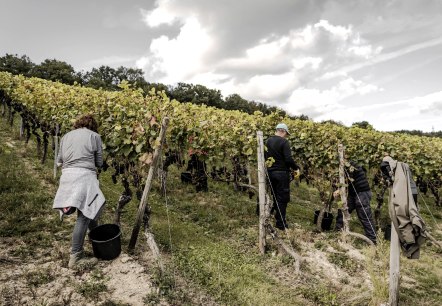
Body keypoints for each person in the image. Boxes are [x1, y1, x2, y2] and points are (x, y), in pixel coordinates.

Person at [53, 114, 106, 269]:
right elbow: (99, 163)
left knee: (90, 209)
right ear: (93, 126)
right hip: (84, 177)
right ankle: (76, 257)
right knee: (84, 215)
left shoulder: (65, 137)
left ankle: (96, 238)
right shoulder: (95, 136)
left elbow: (59, 161)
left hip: (67, 176)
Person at [265, 123, 299, 230]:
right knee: (283, 198)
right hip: (281, 174)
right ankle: (281, 224)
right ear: (283, 132)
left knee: (275, 195)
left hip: (270, 173)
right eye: (286, 134)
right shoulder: (284, 142)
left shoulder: (268, 141)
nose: (286, 136)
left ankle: (274, 216)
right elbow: (288, 159)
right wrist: (296, 168)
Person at [335, 159, 377, 244]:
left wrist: (339, 190)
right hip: (353, 193)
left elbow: (348, 180)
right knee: (343, 210)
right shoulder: (344, 165)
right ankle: (338, 232)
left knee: (364, 215)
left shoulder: (351, 164)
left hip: (362, 193)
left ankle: (373, 240)